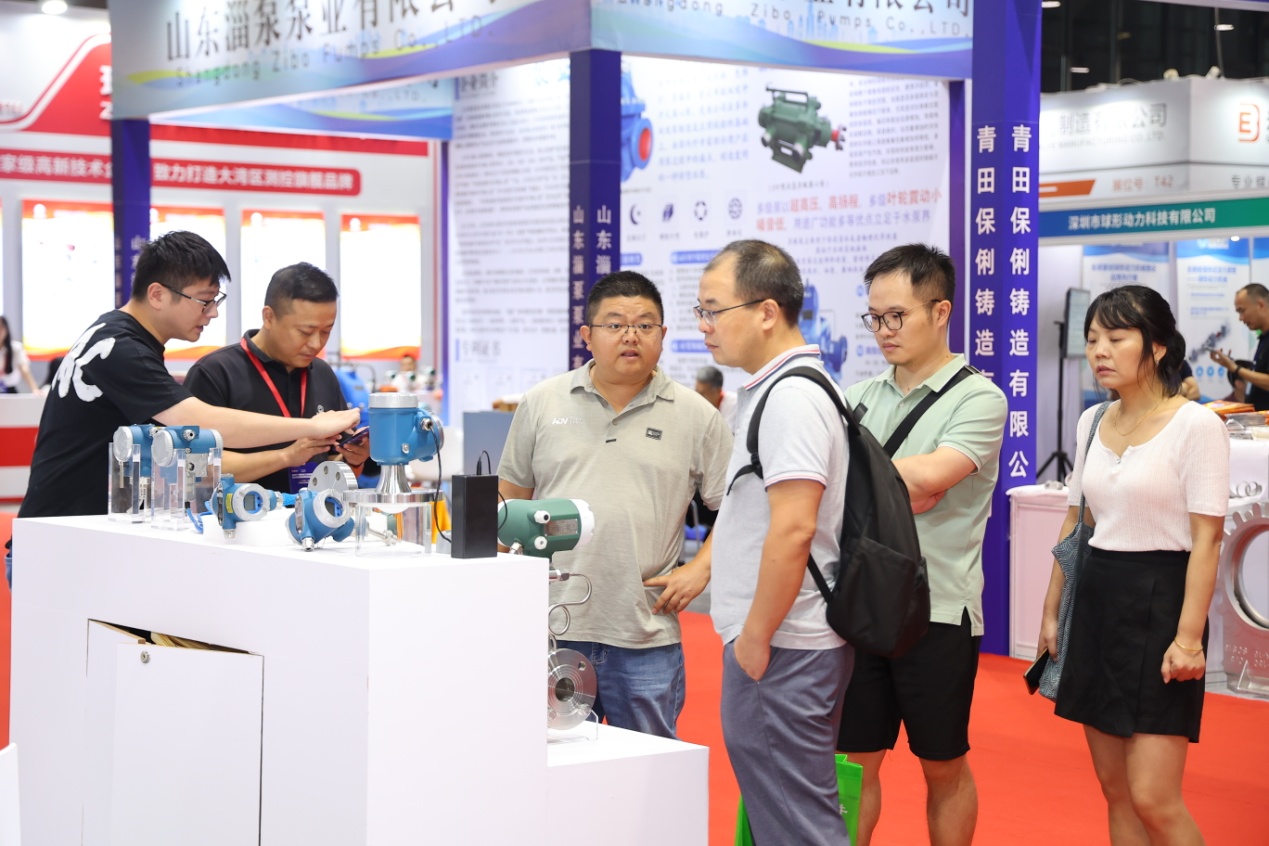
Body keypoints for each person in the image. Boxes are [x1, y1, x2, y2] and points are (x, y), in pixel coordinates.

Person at [12, 232, 360, 586]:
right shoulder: (122, 348)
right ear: (157, 294)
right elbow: (200, 425)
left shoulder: (120, 337)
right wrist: (310, 428)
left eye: (216, 300)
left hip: (78, 537)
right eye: (204, 301)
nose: (213, 312)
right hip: (61, 541)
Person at [498, 270, 732, 739]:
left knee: (648, 766)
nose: (631, 336)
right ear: (587, 335)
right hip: (552, 625)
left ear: (663, 335)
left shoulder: (696, 416)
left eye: (645, 325)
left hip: (645, 632)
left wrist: (700, 569)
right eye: (615, 324)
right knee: (550, 761)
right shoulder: (543, 403)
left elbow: (738, 507)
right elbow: (509, 504)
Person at [1040, 284, 1227, 844]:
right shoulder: (1092, 421)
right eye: (1092, 338)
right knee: (1116, 791)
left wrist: (1189, 638)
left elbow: (1208, 540)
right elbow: (1076, 520)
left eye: (1116, 338)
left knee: (1154, 797)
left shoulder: (1197, 425)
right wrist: (1052, 611)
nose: (1099, 351)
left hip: (1162, 605)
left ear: (1158, 346)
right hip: (1097, 600)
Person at [838, 244, 1007, 846]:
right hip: (859, 606)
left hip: (938, 609)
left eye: (897, 316)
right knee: (852, 763)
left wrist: (872, 481)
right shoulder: (856, 396)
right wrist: (902, 485)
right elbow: (852, 486)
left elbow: (931, 479)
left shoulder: (979, 398)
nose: (884, 330)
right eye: (875, 318)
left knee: (942, 764)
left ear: (940, 312)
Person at [698, 240, 852, 845]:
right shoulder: (780, 388)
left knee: (798, 824)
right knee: (789, 815)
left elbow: (794, 529)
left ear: (766, 311)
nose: (705, 325)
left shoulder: (791, 397)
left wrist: (756, 638)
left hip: (784, 644)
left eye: (714, 309)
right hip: (786, 640)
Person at [184, 263, 370, 494]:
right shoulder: (215, 373)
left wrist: (353, 459)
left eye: (326, 331)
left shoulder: (322, 373)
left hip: (312, 515)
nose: (316, 344)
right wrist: (286, 456)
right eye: (305, 332)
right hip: (238, 515)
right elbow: (196, 467)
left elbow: (331, 463)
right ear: (269, 317)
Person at [1209, 283, 1269, 410]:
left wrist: (1235, 368)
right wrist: (1230, 364)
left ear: (1260, 305)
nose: (1241, 318)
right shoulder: (1264, 338)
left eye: (1242, 310)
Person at [0, 315, 39, 394]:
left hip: (9, 390)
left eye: (1, 328)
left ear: (6, 330)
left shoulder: (16, 348)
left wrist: (34, 389)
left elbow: (24, 369)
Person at [693, 364, 738, 430]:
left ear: (718, 391)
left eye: (703, 394)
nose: (698, 397)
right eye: (696, 392)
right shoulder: (696, 405)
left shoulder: (735, 404)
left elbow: (726, 433)